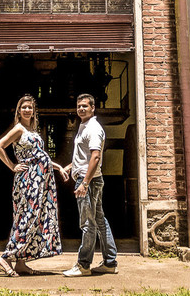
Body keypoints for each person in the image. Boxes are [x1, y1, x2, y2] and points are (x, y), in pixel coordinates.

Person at [0, 94, 64, 276]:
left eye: (29, 107)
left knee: (36, 217)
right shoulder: (19, 129)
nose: (26, 110)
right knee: (27, 216)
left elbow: (39, 156)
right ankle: (6, 257)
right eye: (23, 107)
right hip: (28, 180)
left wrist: (58, 167)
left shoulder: (33, 131)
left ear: (33, 111)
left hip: (40, 180)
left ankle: (21, 262)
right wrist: (12, 166)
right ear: (18, 111)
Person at [60, 93, 118, 276]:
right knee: (99, 220)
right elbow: (85, 157)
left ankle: (83, 265)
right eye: (79, 106)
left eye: (85, 106)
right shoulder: (84, 126)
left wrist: (84, 183)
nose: (81, 109)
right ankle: (110, 263)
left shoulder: (93, 128)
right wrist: (71, 166)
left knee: (88, 224)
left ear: (93, 108)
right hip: (90, 179)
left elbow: (95, 156)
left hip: (89, 181)